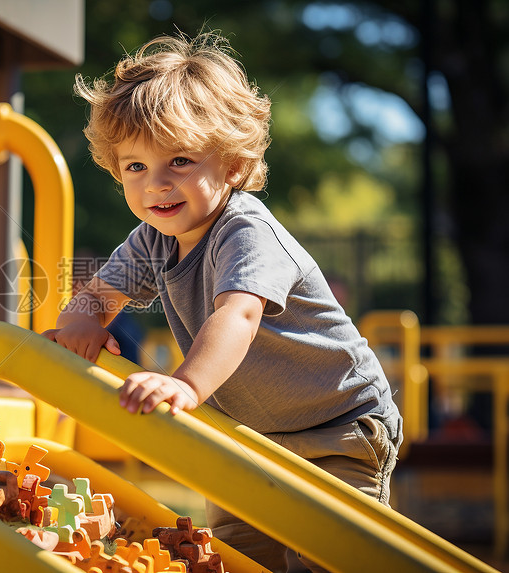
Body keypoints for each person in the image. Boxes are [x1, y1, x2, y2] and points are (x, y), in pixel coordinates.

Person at [42, 31, 402, 573]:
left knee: (329, 556)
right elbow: (96, 294)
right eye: (135, 167)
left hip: (338, 428)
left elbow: (239, 313)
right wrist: (81, 324)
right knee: (232, 556)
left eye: (180, 161)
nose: (155, 185)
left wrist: (184, 384)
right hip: (247, 437)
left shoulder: (245, 230)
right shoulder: (153, 239)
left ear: (232, 166)